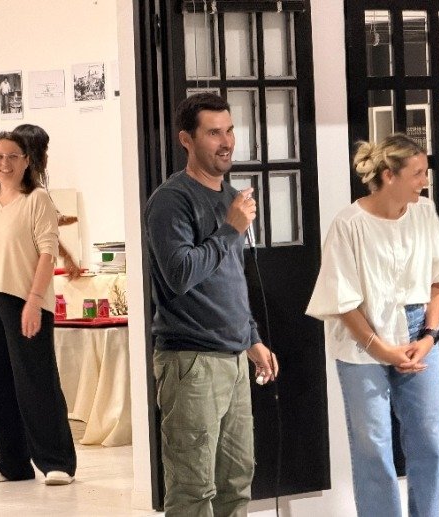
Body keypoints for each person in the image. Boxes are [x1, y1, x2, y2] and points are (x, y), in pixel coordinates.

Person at [306, 133, 439, 517]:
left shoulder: (424, 212)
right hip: (362, 340)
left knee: (429, 441)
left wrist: (429, 336)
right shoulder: (349, 224)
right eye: (417, 173)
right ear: (390, 175)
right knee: (372, 447)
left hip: (418, 333)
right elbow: (343, 301)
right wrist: (382, 349)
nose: (424, 180)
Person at [143, 92, 278, 516]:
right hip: (191, 362)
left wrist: (251, 338)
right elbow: (180, 273)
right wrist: (230, 229)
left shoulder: (229, 196)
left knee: (236, 483)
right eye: (214, 133)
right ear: (187, 139)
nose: (227, 142)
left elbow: (230, 280)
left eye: (230, 130)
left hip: (234, 359)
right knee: (193, 487)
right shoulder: (171, 200)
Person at [0, 131, 77, 486]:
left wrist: (34, 301)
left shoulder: (37, 199)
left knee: (36, 382)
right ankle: (12, 462)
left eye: (12, 156)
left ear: (26, 161)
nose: (4, 163)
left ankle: (57, 461)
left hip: (26, 300)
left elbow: (47, 252)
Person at [12, 123, 81, 278]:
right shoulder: (32, 192)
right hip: (26, 274)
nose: (47, 156)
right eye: (45, 150)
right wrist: (67, 257)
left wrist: (60, 219)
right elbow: (44, 232)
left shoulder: (19, 188)